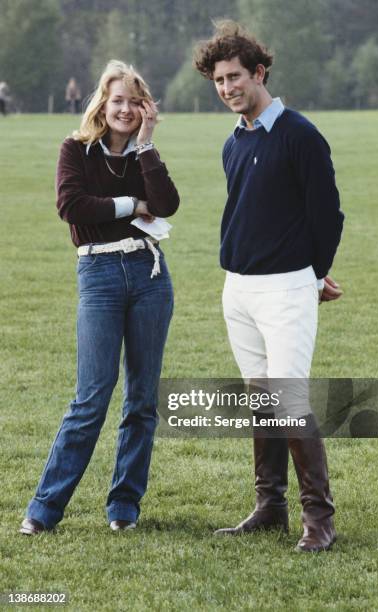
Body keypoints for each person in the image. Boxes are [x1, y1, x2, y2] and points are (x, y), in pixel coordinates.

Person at [194, 21, 344, 552]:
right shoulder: (233, 143)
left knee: (288, 397)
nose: (227, 88)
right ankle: (269, 506)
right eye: (218, 80)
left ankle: (319, 519)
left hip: (286, 290)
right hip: (238, 289)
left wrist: (313, 273)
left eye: (235, 77)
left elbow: (327, 214)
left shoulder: (301, 135)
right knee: (262, 399)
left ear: (259, 73)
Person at [20, 60, 179, 535]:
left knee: (142, 400)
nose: (126, 109)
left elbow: (168, 204)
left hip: (150, 274)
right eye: (118, 101)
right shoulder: (76, 150)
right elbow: (72, 207)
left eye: (135, 102)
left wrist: (147, 146)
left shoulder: (142, 156)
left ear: (145, 108)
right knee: (91, 397)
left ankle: (124, 507)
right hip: (99, 274)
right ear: (101, 104)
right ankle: (44, 510)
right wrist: (133, 205)